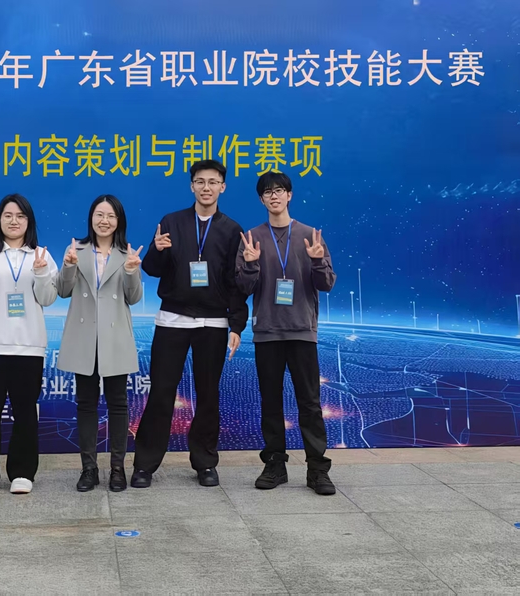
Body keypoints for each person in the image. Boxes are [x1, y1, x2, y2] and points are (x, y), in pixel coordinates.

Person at [131, 159, 248, 489]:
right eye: (200, 181)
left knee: (208, 395)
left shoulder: (232, 230)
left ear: (223, 187)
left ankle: (205, 462)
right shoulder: (172, 221)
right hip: (172, 319)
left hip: (213, 322)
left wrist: (236, 325)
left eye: (213, 182)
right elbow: (153, 269)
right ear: (191, 186)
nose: (206, 187)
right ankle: (145, 465)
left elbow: (236, 282)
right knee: (161, 393)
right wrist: (156, 250)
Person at [235, 171, 337, 495]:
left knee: (310, 403)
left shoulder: (310, 235)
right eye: (268, 192)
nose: (274, 196)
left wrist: (317, 261)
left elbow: (326, 284)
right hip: (267, 332)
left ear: (289, 195)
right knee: (271, 403)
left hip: (302, 331)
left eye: (279, 190)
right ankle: (275, 465)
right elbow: (242, 287)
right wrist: (250, 263)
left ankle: (317, 470)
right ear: (261, 199)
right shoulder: (251, 238)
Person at [0, 194, 58, 496]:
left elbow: (48, 298)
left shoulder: (41, 255)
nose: (14, 221)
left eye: (20, 216)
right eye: (8, 215)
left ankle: (22, 472)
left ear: (29, 221)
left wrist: (41, 273)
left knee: (26, 413)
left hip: (28, 346)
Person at [55, 195, 143, 492]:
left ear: (119, 221)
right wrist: (68, 266)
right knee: (86, 404)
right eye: (99, 215)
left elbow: (134, 298)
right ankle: (89, 469)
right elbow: (63, 290)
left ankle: (117, 468)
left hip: (114, 338)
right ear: (91, 218)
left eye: (110, 216)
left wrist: (131, 272)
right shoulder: (76, 250)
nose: (104, 221)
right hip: (85, 337)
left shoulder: (126, 254)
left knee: (118, 404)